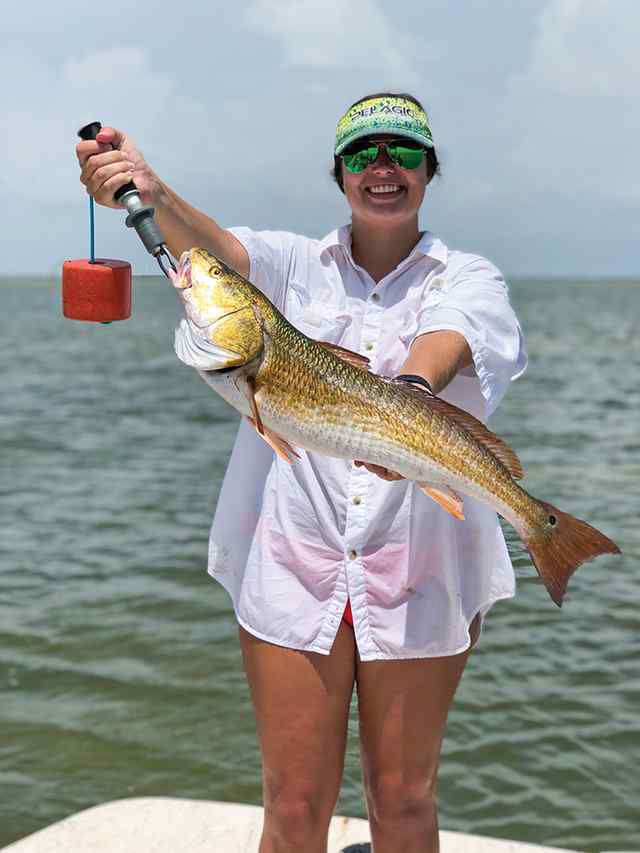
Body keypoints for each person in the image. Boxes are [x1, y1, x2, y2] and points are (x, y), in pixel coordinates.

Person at [77, 92, 527, 853]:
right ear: (340, 172)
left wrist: (407, 401)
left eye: (402, 153)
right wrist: (148, 191)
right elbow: (213, 251)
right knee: (291, 806)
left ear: (429, 170)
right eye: (362, 154)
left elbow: (452, 335)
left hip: (421, 566)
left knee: (405, 798)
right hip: (295, 563)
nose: (382, 168)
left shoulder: (468, 275)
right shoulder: (287, 266)